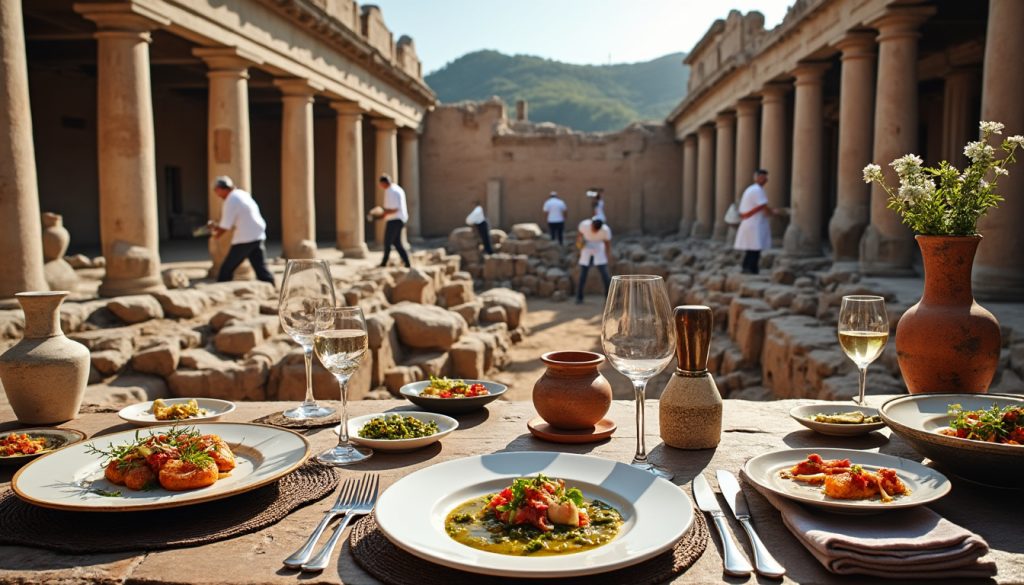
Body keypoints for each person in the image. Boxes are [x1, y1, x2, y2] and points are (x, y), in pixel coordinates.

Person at [207, 176, 275, 285]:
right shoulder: (241, 194)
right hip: (257, 234)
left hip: (245, 238)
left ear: (220, 189)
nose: (217, 195)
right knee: (261, 268)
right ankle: (273, 287)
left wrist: (214, 234)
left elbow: (225, 227)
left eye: (216, 191)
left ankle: (222, 288)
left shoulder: (231, 200)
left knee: (226, 269)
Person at [734, 169, 775, 274]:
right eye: (762, 177)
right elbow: (763, 206)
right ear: (756, 178)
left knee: (752, 248)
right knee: (755, 248)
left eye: (765, 177)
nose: (765, 179)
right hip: (754, 224)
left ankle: (747, 267)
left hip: (752, 223)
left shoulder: (752, 189)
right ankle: (751, 269)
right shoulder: (757, 190)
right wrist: (773, 213)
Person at [575, 216, 612, 304]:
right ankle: (579, 297)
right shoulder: (584, 225)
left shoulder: (605, 230)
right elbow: (579, 236)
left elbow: (607, 243)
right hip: (587, 247)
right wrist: (579, 245)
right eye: (593, 228)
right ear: (591, 224)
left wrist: (608, 255)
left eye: (596, 230)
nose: (594, 231)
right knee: (583, 275)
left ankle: (609, 298)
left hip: (599, 249)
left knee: (605, 275)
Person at [377, 174, 411, 268]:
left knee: (387, 242)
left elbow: (395, 209)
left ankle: (384, 263)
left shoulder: (391, 191)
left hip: (395, 219)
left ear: (384, 183)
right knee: (397, 243)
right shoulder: (397, 189)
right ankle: (407, 263)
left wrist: (381, 214)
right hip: (399, 219)